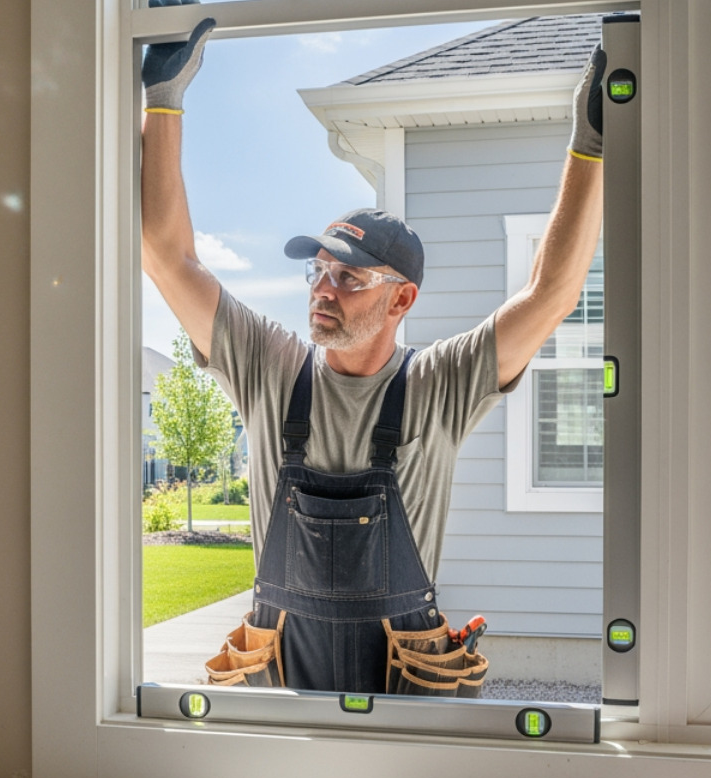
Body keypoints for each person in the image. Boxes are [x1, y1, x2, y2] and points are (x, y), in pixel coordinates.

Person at [140, 2, 605, 694]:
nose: (323, 289)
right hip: (281, 682)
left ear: (401, 300)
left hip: (402, 697)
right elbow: (167, 255)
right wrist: (164, 98)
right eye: (318, 271)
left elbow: (549, 295)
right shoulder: (270, 365)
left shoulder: (440, 383)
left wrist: (591, 139)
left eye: (348, 277)